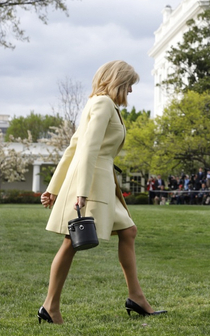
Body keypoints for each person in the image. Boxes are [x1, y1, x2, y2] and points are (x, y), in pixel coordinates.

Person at [38, 60, 165, 324]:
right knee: (71, 240)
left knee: (128, 231)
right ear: (119, 81)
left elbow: (72, 148)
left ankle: (136, 297)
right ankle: (50, 307)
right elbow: (84, 150)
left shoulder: (101, 104)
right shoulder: (102, 104)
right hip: (92, 184)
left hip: (102, 184)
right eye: (129, 84)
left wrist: (53, 188)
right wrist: (77, 192)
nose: (131, 91)